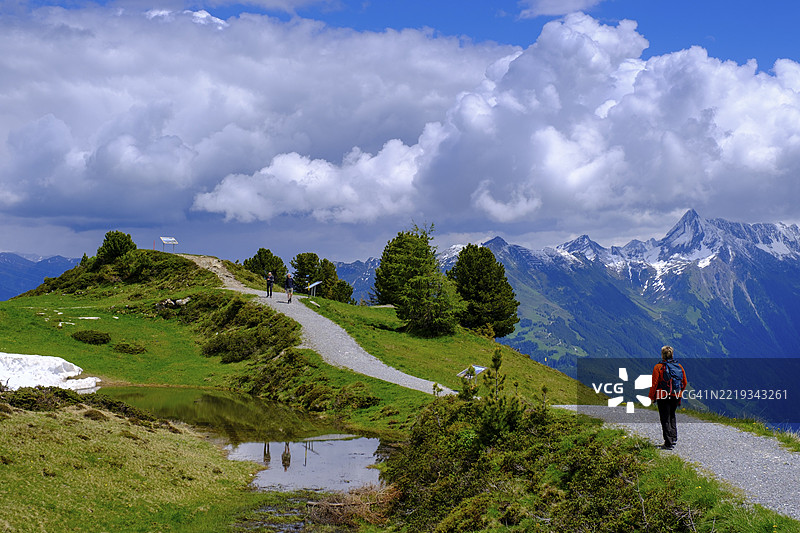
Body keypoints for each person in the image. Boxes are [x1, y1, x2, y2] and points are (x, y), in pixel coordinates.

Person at [648, 345, 687, 450]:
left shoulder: (658, 367)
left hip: (662, 395)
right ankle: (673, 438)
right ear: (672, 354)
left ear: (662, 355)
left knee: (665, 418)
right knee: (672, 415)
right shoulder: (679, 366)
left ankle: (668, 443)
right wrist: (679, 392)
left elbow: (654, 384)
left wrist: (651, 397)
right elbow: (684, 382)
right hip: (676, 395)